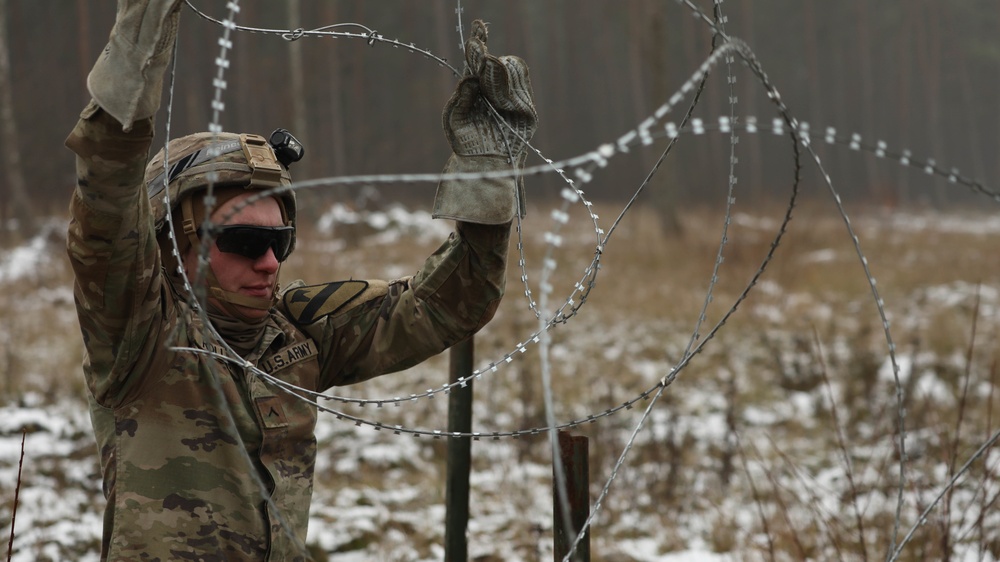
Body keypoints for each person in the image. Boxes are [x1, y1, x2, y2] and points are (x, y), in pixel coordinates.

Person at [64, 2, 537, 560]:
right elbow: (107, 208)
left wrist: (488, 174)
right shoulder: (139, 338)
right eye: (244, 241)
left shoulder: (298, 335)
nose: (269, 262)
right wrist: (135, 48)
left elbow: (445, 304)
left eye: (280, 240)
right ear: (175, 240)